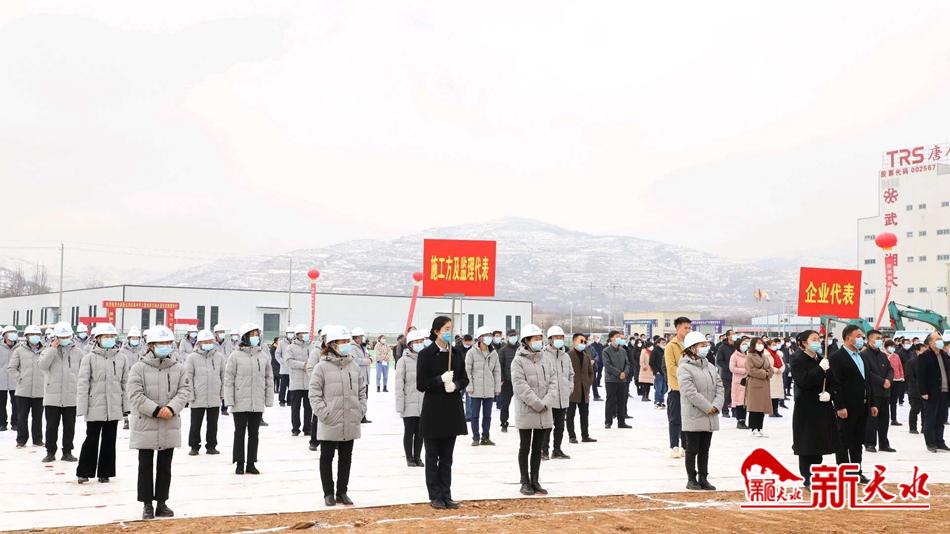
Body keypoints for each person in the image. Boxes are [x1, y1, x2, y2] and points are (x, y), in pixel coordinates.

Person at [127, 325, 191, 520]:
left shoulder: (179, 368)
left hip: (169, 421)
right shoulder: (138, 368)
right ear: (151, 345)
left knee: (165, 466)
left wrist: (171, 408)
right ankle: (147, 504)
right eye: (161, 343)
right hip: (146, 422)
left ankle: (162, 502)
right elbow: (135, 394)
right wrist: (155, 410)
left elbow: (184, 391)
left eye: (168, 343)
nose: (165, 346)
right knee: (145, 466)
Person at [310, 325, 367, 506]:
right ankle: (328, 492)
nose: (346, 345)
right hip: (330, 420)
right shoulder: (321, 367)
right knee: (327, 457)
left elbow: (362, 391)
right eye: (343, 342)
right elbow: (314, 394)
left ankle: (342, 491)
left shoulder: (354, 366)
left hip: (350, 419)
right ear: (332, 344)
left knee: (346, 458)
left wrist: (360, 410)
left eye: (347, 341)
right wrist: (324, 414)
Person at [416, 316, 469, 510]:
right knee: (432, 457)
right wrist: (440, 379)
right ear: (436, 331)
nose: (450, 332)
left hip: (451, 410)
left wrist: (455, 385)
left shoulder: (456, 353)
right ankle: (435, 495)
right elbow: (421, 384)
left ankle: (446, 494)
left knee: (447, 458)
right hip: (433, 411)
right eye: (446, 328)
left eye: (451, 328)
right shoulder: (426, 354)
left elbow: (465, 379)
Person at [75, 323, 128, 484]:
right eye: (106, 337)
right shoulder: (89, 358)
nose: (109, 339)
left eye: (112, 337)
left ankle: (105, 473)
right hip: (95, 405)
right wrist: (82, 407)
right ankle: (84, 472)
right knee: (91, 439)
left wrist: (126, 407)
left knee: (109, 440)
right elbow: (83, 383)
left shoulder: (121, 358)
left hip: (114, 406)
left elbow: (125, 383)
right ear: (98, 339)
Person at [789, 330, 840, 488]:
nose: (818, 342)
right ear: (804, 343)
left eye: (819, 339)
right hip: (806, 407)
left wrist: (830, 394)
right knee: (807, 443)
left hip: (822, 405)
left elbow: (833, 382)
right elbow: (803, 381)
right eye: (814, 339)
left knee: (819, 443)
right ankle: (807, 476)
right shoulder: (797, 359)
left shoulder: (822, 359)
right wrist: (819, 369)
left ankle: (816, 472)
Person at [511, 324, 557, 496]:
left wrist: (546, 401)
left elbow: (553, 382)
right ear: (526, 341)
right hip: (527, 409)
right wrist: (537, 403)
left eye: (540, 338)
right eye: (535, 339)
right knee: (525, 447)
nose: (539, 341)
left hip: (544, 409)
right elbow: (520, 386)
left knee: (538, 447)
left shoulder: (546, 359)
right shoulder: (518, 361)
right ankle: (524, 481)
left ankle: (535, 480)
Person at [828, 325, 877, 483]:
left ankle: (857, 471)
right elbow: (835, 384)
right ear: (848, 338)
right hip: (847, 407)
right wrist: (840, 406)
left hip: (862, 405)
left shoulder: (861, 356)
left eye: (862, 336)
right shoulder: (836, 357)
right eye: (858, 336)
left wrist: (872, 403)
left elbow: (867, 382)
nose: (861, 339)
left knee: (857, 441)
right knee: (843, 441)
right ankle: (844, 471)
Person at [223, 323, 273, 474]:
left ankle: (251, 463)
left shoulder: (263, 356)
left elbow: (268, 378)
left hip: (256, 401)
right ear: (245, 337)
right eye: (252, 335)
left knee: (254, 434)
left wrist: (268, 399)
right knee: (239, 433)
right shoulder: (235, 356)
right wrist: (229, 400)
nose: (255, 337)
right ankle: (239, 463)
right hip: (240, 401)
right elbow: (229, 379)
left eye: (257, 335)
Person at [677, 331, 722, 491]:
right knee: (692, 449)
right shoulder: (684, 368)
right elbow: (690, 392)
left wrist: (716, 406)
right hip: (694, 414)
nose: (706, 348)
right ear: (692, 348)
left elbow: (720, 388)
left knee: (705, 449)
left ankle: (703, 478)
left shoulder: (710, 366)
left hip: (710, 414)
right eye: (702, 345)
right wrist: (708, 407)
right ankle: (691, 479)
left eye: (706, 345)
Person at [38, 322, 83, 463]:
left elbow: (83, 373)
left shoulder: (78, 353)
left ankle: (67, 452)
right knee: (51, 427)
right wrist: (52, 349)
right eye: (61, 337)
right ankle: (50, 452)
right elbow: (42, 365)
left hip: (71, 396)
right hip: (53, 396)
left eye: (66, 336)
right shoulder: (47, 350)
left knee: (69, 427)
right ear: (56, 337)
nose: (64, 339)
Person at [185, 329, 224, 456]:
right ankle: (194, 446)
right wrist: (190, 395)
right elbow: (188, 377)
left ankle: (211, 446)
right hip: (198, 396)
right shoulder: (192, 357)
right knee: (195, 424)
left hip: (214, 395)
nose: (208, 343)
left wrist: (222, 393)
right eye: (205, 341)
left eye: (209, 341)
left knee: (213, 424)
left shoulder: (219, 357)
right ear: (199, 343)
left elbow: (223, 376)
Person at [8, 325, 44, 447]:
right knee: (22, 417)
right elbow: (12, 368)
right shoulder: (19, 350)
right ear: (27, 336)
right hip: (23, 390)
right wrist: (20, 378)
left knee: (38, 417)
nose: (35, 337)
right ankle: (21, 440)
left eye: (37, 335)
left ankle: (37, 439)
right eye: (32, 335)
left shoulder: (45, 350)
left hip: (40, 390)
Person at [541, 326, 574, 459]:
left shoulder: (565, 356)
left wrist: (570, 387)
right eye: (556, 337)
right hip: (549, 397)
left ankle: (557, 450)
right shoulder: (543, 355)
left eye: (561, 337)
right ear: (550, 339)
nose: (559, 340)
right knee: (547, 426)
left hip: (563, 397)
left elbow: (571, 374)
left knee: (560, 426)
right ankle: (544, 450)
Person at [465, 326, 500, 446]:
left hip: (489, 389)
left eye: (490, 335)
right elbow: (467, 371)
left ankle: (485, 437)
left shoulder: (494, 353)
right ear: (480, 338)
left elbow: (497, 372)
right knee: (474, 415)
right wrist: (469, 386)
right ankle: (476, 437)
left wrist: (497, 388)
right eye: (486, 336)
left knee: (487, 416)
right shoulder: (471, 352)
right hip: (475, 389)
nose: (489, 338)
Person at [396, 330, 427, 466]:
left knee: (420, 432)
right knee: (409, 431)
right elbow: (399, 384)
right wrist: (400, 404)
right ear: (410, 344)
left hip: (423, 402)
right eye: (416, 342)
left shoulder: (425, 359)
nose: (419, 344)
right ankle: (409, 457)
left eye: (421, 342)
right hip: (408, 402)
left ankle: (418, 457)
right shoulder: (403, 361)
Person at [861, 329, 895, 453]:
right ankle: (870, 443)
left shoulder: (883, 355)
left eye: (881, 339)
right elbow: (867, 373)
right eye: (877, 338)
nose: (879, 341)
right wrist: (882, 381)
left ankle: (884, 444)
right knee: (872, 419)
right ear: (869, 339)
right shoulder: (864, 355)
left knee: (884, 419)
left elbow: (890, 369)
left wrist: (888, 380)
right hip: (873, 392)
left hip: (885, 392)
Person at [917, 332, 950, 452]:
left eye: (941, 339)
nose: (940, 341)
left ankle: (940, 441)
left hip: (945, 392)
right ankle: (930, 443)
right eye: (937, 339)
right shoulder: (924, 356)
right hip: (931, 392)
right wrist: (923, 391)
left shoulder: (944, 355)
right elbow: (921, 376)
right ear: (931, 342)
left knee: (941, 418)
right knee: (930, 418)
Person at [664, 317, 691, 458]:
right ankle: (674, 446)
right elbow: (671, 367)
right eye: (685, 328)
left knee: (687, 419)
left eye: (689, 328)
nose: (688, 330)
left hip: (690, 388)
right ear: (678, 328)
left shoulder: (691, 344)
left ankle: (686, 446)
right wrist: (686, 374)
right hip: (676, 387)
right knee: (675, 419)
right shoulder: (671, 346)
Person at [284, 324, 313, 437]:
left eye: (306, 333)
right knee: (295, 407)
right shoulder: (290, 347)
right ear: (298, 335)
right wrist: (303, 365)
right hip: (296, 382)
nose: (305, 335)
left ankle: (308, 428)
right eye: (303, 333)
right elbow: (289, 361)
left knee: (308, 407)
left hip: (308, 381)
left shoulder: (311, 346)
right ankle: (295, 428)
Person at [567, 332, 595, 444]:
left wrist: (588, 383)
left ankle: (585, 436)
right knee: (570, 415)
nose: (583, 343)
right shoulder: (568, 356)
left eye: (584, 342)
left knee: (584, 415)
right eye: (581, 341)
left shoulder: (586, 356)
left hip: (584, 390)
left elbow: (590, 372)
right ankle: (572, 436)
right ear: (574, 341)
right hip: (572, 391)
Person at [744, 337, 773, 437]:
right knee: (754, 408)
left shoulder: (764, 356)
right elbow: (751, 370)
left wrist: (768, 373)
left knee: (762, 408)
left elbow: (770, 369)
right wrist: (765, 373)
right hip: (754, 384)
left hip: (764, 384)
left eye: (761, 343)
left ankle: (760, 428)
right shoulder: (749, 356)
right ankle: (753, 428)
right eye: (758, 343)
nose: (760, 345)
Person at [602, 331, 631, 429]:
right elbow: (607, 365)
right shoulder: (606, 351)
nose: (619, 338)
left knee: (622, 401)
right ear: (611, 338)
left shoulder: (623, 351)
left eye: (620, 337)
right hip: (611, 380)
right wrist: (619, 373)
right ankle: (608, 421)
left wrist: (625, 373)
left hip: (622, 380)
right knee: (610, 401)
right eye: (617, 336)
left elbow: (627, 363)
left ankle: (621, 422)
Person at [350, 327, 372, 422]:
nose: (363, 338)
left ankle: (363, 416)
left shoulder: (363, 347)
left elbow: (368, 355)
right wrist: (367, 361)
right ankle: (358, 416)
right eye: (361, 336)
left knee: (365, 397)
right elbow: (355, 360)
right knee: (358, 397)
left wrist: (370, 358)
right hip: (358, 377)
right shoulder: (352, 348)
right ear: (357, 337)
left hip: (365, 377)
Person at [497, 329, 518, 432]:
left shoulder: (521, 349)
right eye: (511, 336)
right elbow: (500, 366)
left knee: (522, 404)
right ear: (507, 337)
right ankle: (504, 423)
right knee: (505, 404)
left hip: (519, 381)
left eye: (515, 335)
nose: (513, 337)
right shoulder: (503, 350)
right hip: (507, 381)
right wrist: (501, 379)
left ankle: (522, 423)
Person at [730, 336, 751, 430]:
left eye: (746, 344)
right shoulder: (734, 356)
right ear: (738, 345)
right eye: (743, 344)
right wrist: (744, 371)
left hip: (747, 381)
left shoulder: (747, 355)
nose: (745, 346)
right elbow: (732, 368)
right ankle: (740, 421)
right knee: (739, 402)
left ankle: (744, 421)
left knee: (745, 402)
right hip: (738, 382)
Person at [0, 325, 18, 432]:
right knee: (1, 404)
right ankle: (2, 423)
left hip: (15, 380)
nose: (13, 334)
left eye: (14, 332)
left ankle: (15, 423)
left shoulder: (20, 348)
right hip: (1, 380)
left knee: (16, 404)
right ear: (4, 335)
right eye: (10, 332)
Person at [715, 331, 736, 417]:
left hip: (736, 373)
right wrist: (728, 367)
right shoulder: (722, 347)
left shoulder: (737, 346)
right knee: (726, 393)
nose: (734, 336)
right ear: (728, 336)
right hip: (726, 374)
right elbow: (719, 361)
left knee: (735, 393)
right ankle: (725, 411)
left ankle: (735, 411)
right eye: (732, 334)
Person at [905, 343, 924, 435]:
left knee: (925, 410)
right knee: (915, 409)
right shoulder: (911, 362)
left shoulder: (927, 362)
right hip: (915, 390)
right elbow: (910, 377)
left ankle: (924, 427)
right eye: (923, 351)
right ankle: (913, 427)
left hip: (926, 390)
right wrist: (919, 386)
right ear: (917, 351)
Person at [274, 325, 294, 407]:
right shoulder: (281, 343)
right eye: (289, 333)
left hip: (293, 369)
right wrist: (282, 362)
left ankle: (289, 400)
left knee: (291, 386)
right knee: (283, 386)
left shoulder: (294, 343)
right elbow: (277, 354)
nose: (291, 334)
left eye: (292, 333)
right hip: (284, 369)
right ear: (286, 334)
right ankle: (281, 400)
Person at [886, 340, 904, 426]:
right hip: (887, 380)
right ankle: (885, 418)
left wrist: (902, 376)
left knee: (894, 401)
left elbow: (900, 367)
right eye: (890, 346)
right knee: (886, 400)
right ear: (886, 347)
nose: (892, 348)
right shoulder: (883, 355)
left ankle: (894, 419)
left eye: (893, 346)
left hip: (897, 380)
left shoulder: (896, 356)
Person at [766, 338, 785, 417]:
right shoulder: (766, 354)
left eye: (775, 345)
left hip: (778, 377)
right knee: (772, 395)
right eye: (773, 345)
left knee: (777, 395)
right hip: (772, 376)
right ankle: (771, 411)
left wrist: (781, 369)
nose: (775, 346)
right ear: (769, 346)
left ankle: (776, 410)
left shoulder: (777, 354)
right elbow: (768, 365)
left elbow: (782, 364)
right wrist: (776, 370)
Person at [650, 339, 667, 408]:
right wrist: (656, 371)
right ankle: (657, 401)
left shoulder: (665, 350)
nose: (664, 344)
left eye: (665, 342)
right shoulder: (655, 351)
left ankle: (661, 401)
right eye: (662, 342)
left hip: (665, 372)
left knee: (664, 388)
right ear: (658, 343)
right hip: (658, 372)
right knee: (658, 388)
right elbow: (651, 362)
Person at [637, 336, 654, 402]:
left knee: (649, 384)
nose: (652, 347)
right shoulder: (644, 351)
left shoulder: (652, 352)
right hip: (645, 370)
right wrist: (643, 366)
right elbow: (641, 360)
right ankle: (644, 396)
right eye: (651, 346)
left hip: (650, 370)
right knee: (645, 384)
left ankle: (647, 396)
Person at [589, 335, 604, 401]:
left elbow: (596, 355)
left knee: (594, 382)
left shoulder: (591, 347)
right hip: (584, 368)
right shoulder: (582, 349)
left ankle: (596, 396)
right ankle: (585, 394)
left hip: (593, 367)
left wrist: (594, 360)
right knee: (586, 382)